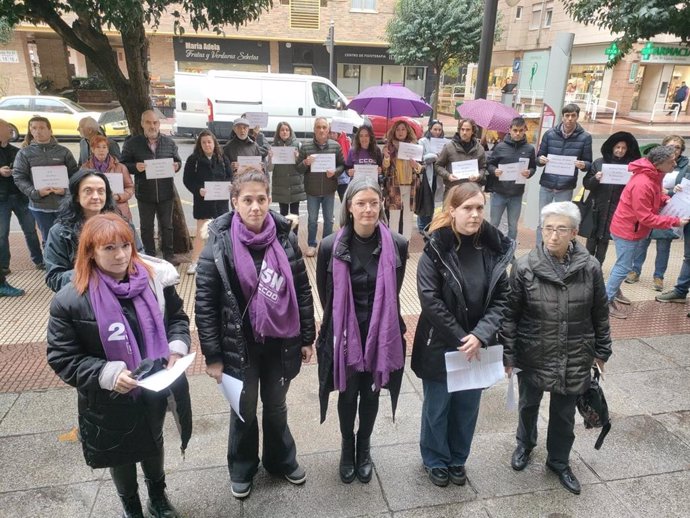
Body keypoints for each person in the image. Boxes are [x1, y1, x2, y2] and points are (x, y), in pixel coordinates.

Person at [47, 213, 190, 518]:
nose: (121, 255)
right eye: (109, 248)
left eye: (125, 245)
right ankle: (131, 507)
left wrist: (176, 349)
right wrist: (107, 374)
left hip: (152, 386)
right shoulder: (71, 298)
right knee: (120, 455)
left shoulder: (154, 281)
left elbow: (177, 319)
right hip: (108, 398)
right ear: (90, 252)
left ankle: (158, 498)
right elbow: (62, 357)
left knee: (154, 442)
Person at [195, 171, 315, 500]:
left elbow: (302, 291)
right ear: (235, 202)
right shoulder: (218, 244)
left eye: (261, 199)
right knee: (244, 410)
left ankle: (281, 460)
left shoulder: (285, 238)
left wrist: (307, 337)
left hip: (279, 343)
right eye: (247, 200)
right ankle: (243, 467)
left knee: (276, 407)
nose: (255, 207)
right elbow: (204, 305)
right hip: (239, 346)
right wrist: (214, 357)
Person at [502, 201, 612, 495]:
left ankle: (559, 461)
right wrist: (509, 355)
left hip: (575, 351)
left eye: (561, 229)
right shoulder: (524, 266)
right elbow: (510, 315)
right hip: (532, 349)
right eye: (548, 228)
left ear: (574, 232)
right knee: (528, 404)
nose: (553, 235)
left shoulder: (590, 267)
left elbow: (600, 313)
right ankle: (524, 444)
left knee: (564, 414)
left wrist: (602, 351)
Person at [411, 182, 513, 488]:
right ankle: (434, 458)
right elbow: (430, 301)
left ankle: (457, 458)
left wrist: (480, 335)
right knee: (437, 406)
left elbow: (502, 299)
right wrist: (461, 338)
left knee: (467, 408)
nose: (475, 214)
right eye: (467, 208)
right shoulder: (436, 248)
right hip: (441, 343)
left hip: (478, 346)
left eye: (480, 207)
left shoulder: (492, 248)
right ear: (452, 210)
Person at [316, 178, 408, 484]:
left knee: (371, 393)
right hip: (345, 334)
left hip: (380, 333)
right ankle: (347, 446)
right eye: (361, 203)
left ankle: (364, 447)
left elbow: (394, 293)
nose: (368, 209)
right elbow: (325, 294)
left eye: (373, 202)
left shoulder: (397, 244)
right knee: (348, 392)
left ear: (381, 205)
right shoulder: (331, 246)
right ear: (349, 208)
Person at [604, 146, 689, 319]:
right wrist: (675, 221)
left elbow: (656, 195)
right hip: (628, 230)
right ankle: (605, 301)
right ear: (658, 163)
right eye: (671, 161)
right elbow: (646, 218)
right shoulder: (643, 182)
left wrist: (667, 200)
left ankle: (614, 292)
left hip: (630, 227)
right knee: (623, 267)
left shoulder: (654, 174)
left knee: (622, 264)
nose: (675, 163)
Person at [44, 169, 127, 292]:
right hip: (82, 296)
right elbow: (54, 278)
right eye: (88, 191)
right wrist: (93, 272)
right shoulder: (60, 232)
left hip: (121, 292)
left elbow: (139, 260)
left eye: (101, 191)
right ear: (77, 196)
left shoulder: (122, 225)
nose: (95, 197)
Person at [121, 110, 182, 264]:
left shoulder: (169, 143)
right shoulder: (132, 143)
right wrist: (135, 167)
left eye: (155, 122)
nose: (152, 126)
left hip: (165, 192)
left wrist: (177, 165)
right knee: (147, 227)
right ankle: (150, 256)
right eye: (148, 122)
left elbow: (178, 161)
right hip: (145, 193)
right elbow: (123, 164)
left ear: (159, 124)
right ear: (142, 124)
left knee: (167, 226)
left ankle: (169, 255)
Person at [628, 135, 687, 291]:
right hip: (651, 205)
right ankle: (635, 270)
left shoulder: (685, 166)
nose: (674, 150)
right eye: (671, 146)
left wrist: (671, 192)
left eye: (678, 147)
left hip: (670, 207)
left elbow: (686, 187)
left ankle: (658, 276)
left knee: (663, 245)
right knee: (642, 241)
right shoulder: (656, 162)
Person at [12, 116, 79, 242]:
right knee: (48, 239)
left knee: (69, 237)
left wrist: (65, 190)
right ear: (30, 131)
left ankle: (70, 262)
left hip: (63, 205)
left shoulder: (63, 152)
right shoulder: (24, 153)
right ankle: (49, 262)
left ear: (50, 130)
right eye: (34, 128)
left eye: (42, 128)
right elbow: (19, 177)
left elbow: (75, 176)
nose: (38, 131)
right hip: (40, 206)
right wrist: (35, 192)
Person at [536, 103, 593, 245]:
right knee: (543, 221)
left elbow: (588, 164)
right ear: (562, 117)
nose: (569, 119)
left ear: (577, 117)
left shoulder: (585, 137)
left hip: (565, 187)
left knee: (562, 222)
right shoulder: (549, 134)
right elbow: (538, 158)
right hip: (547, 184)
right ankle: (539, 250)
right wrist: (540, 160)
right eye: (567, 116)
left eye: (573, 116)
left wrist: (583, 165)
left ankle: (557, 249)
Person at [583, 132, 641, 267]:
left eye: (623, 148)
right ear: (611, 147)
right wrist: (595, 178)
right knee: (592, 238)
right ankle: (586, 267)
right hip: (597, 206)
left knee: (604, 240)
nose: (620, 150)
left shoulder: (631, 166)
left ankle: (598, 267)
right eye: (617, 147)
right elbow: (587, 184)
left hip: (615, 208)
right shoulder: (599, 162)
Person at [183, 130, 233, 275]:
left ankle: (223, 261)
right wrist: (198, 190)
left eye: (209, 142)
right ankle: (195, 262)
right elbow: (187, 180)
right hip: (203, 202)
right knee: (201, 233)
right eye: (203, 142)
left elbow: (231, 176)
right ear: (200, 144)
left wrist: (229, 185)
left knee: (222, 233)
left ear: (214, 143)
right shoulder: (194, 160)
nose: (207, 145)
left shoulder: (223, 159)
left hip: (221, 203)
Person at [0, 118, 44, 274]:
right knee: (2, 233)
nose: (11, 131)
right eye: (8, 129)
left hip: (20, 197)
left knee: (30, 230)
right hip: (2, 199)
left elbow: (25, 172)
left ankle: (39, 260)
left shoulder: (16, 151)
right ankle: (4, 266)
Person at [296, 117, 345, 257]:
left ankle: (326, 245)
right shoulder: (305, 147)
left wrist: (335, 172)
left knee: (329, 219)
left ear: (328, 129)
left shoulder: (335, 146)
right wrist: (305, 162)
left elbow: (342, 165)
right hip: (312, 190)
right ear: (314, 130)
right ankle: (311, 244)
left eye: (324, 127)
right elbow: (298, 169)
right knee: (312, 220)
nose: (321, 130)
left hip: (329, 190)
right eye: (319, 127)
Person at [487, 117, 537, 241]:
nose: (518, 133)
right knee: (494, 224)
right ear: (509, 130)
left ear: (525, 130)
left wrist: (529, 172)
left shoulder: (529, 149)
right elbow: (489, 164)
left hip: (516, 194)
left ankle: (510, 252)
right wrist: (494, 171)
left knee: (513, 226)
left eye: (520, 130)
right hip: (499, 193)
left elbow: (533, 167)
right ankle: (491, 250)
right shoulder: (500, 147)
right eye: (515, 130)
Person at [382, 120, 423, 239]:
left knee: (408, 217)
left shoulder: (414, 146)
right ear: (394, 131)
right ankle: (394, 243)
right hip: (395, 186)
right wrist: (386, 157)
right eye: (398, 129)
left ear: (407, 131)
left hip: (410, 186)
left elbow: (420, 168)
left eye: (403, 129)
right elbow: (385, 168)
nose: (400, 132)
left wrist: (416, 165)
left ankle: (405, 244)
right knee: (394, 217)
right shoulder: (389, 147)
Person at [83, 134, 135, 222]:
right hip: (95, 212)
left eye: (104, 147)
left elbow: (130, 187)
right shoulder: (85, 168)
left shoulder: (120, 167)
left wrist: (118, 197)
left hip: (119, 211)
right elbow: (81, 190)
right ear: (92, 149)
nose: (101, 150)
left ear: (108, 149)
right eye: (98, 147)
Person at [434, 118, 487, 196]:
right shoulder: (449, 147)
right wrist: (448, 176)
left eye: (468, 130)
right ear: (459, 130)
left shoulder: (479, 149)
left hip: (471, 191)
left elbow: (483, 167)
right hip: (452, 191)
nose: (464, 132)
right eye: (462, 129)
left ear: (473, 131)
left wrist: (479, 175)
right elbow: (438, 165)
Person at [269, 121, 304, 219]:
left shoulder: (298, 145)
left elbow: (302, 167)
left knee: (295, 214)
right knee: (283, 214)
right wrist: (271, 158)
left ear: (290, 131)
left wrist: (297, 158)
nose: (285, 132)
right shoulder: (274, 146)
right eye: (282, 130)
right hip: (281, 186)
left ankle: (294, 234)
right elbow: (270, 168)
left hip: (295, 185)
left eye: (287, 130)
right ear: (278, 132)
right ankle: (284, 235)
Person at [415, 120, 444, 233]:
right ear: (430, 129)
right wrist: (435, 156)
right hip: (426, 176)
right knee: (425, 201)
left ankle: (433, 227)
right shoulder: (422, 141)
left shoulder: (445, 142)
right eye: (435, 129)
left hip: (439, 176)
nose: (437, 132)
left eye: (439, 130)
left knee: (436, 203)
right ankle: (422, 228)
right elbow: (421, 157)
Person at [343, 125, 383, 202]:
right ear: (358, 138)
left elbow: (381, 167)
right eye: (361, 136)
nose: (364, 138)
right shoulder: (352, 151)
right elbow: (347, 168)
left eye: (366, 136)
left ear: (370, 137)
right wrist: (349, 172)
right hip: (357, 187)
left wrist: (380, 170)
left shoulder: (376, 150)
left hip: (372, 187)